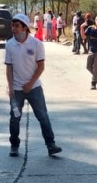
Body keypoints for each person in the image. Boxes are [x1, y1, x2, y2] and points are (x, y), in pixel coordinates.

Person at [5, 13, 61, 158]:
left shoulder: (37, 44)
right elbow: (9, 68)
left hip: (34, 87)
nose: (14, 29)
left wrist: (30, 83)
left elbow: (41, 67)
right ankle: (14, 145)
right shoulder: (10, 44)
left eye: (17, 26)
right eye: (13, 26)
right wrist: (10, 88)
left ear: (25, 28)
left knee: (42, 116)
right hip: (17, 89)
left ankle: (51, 145)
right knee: (15, 118)